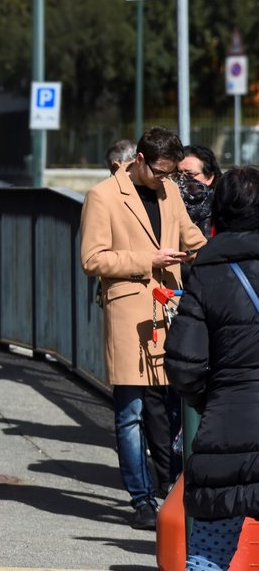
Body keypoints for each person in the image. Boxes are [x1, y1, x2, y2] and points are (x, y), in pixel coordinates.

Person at [80, 126, 207, 530]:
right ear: (139, 159)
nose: (164, 179)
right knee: (131, 410)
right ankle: (141, 498)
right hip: (129, 313)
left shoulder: (169, 191)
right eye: (159, 171)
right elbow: (92, 259)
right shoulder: (102, 196)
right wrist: (147, 259)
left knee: (173, 406)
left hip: (171, 309)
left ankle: (169, 488)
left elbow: (193, 238)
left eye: (170, 173)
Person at [164, 165, 259, 571]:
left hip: (227, 425)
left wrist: (215, 396)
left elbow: (184, 365)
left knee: (207, 555)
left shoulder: (206, 270)